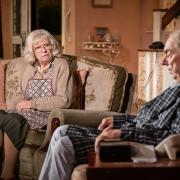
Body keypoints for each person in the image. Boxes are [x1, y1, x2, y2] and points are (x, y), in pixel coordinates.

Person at [39, 30, 180, 180]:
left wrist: (121, 133)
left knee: (64, 144)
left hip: (136, 144)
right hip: (132, 133)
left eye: (169, 54)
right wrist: (117, 121)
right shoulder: (174, 87)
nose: (164, 61)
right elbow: (146, 119)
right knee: (61, 131)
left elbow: (172, 137)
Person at [0, 29, 74, 179]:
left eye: (46, 45)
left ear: (52, 46)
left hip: (47, 115)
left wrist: (31, 103)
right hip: (26, 112)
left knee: (12, 120)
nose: (44, 50)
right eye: (38, 47)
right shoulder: (29, 67)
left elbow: (63, 100)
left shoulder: (61, 65)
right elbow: (20, 94)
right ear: (32, 51)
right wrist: (17, 105)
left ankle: (7, 174)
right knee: (8, 116)